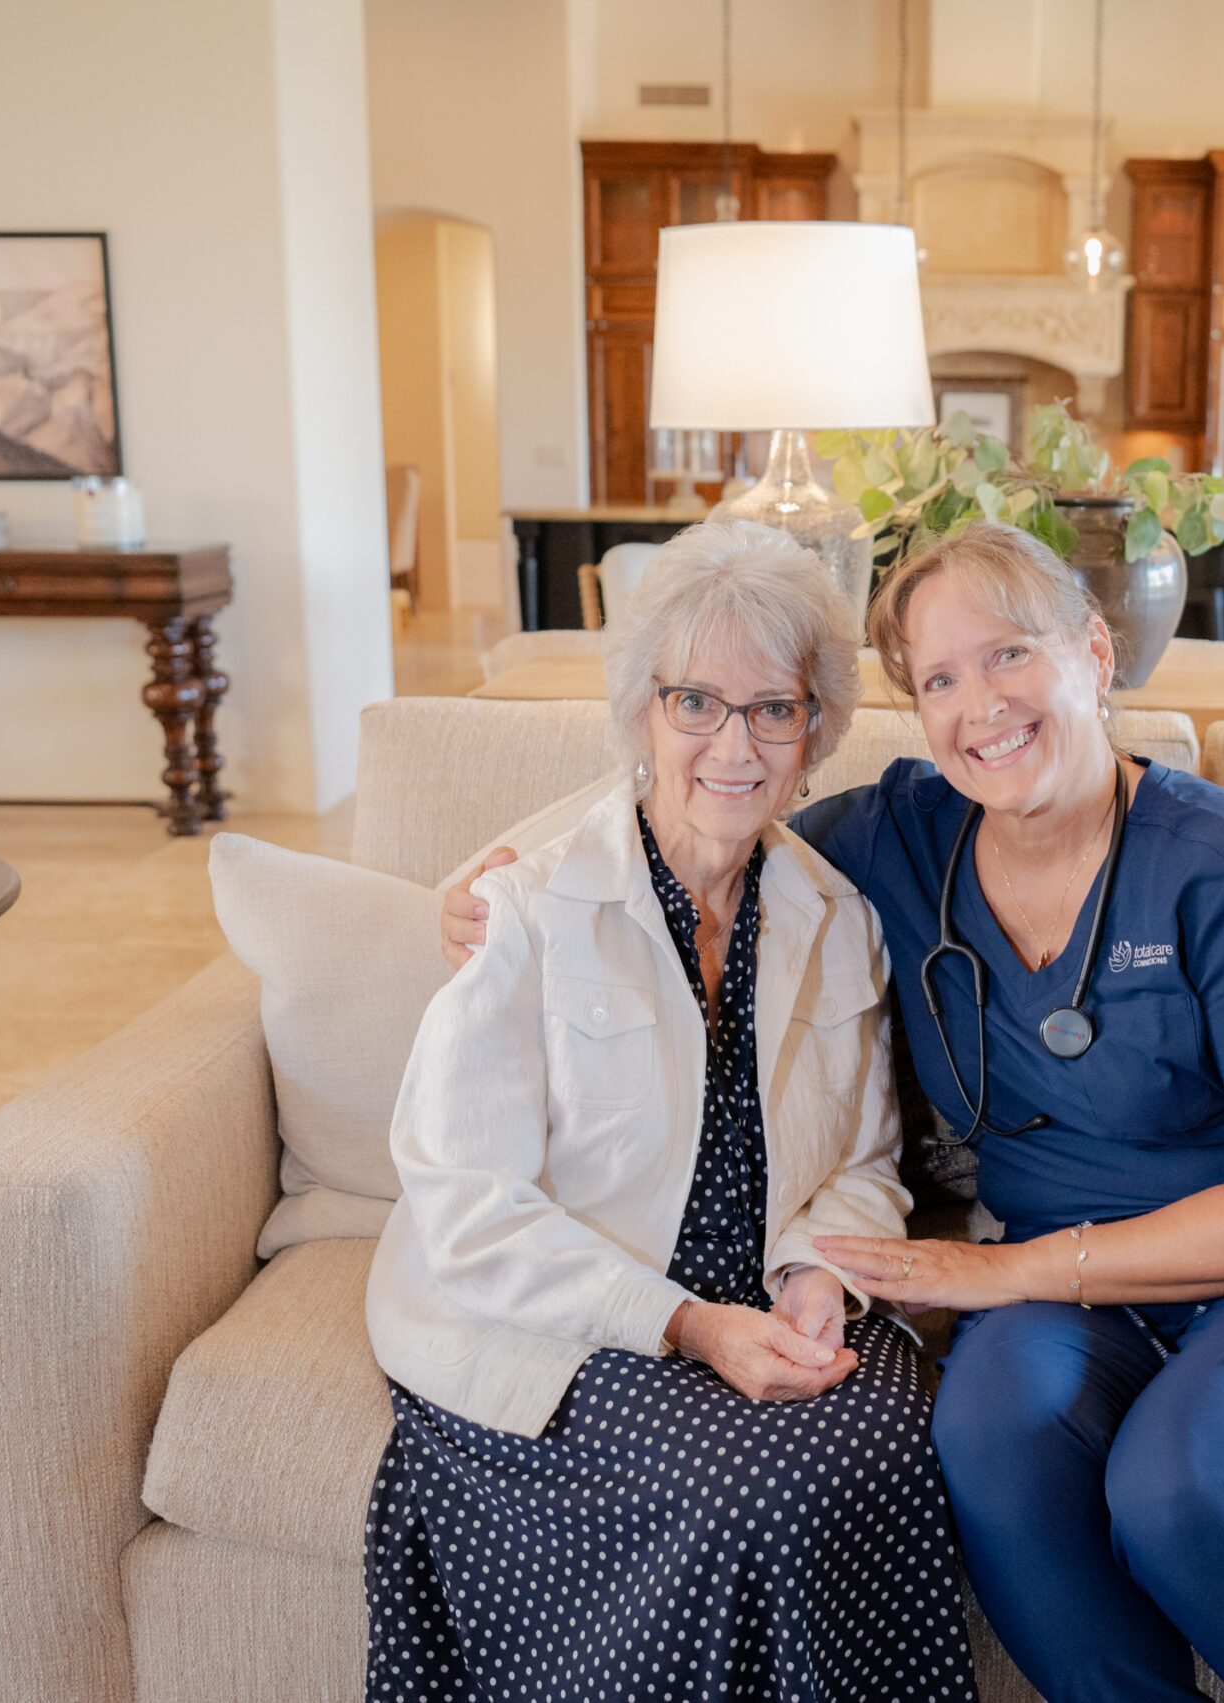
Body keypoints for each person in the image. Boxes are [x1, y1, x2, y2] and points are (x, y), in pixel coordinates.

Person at [444, 522, 1224, 1703]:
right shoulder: (897, 840)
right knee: (987, 1436)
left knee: (1187, 1484)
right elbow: (712, 789)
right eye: (939, 679)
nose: (980, 706)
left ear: (1093, 651)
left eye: (1008, 655)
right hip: (1086, 1311)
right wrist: (490, 882)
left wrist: (1015, 1271)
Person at [369, 520, 976, 1703]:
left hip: (761, 1292)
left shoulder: (832, 912)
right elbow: (468, 1204)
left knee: (892, 1433)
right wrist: (689, 1324)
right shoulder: (528, 907)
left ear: (816, 731)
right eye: (695, 701)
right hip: (562, 1310)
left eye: (773, 708)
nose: (733, 745)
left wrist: (816, 1274)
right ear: (642, 714)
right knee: (740, 1493)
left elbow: (862, 1156)